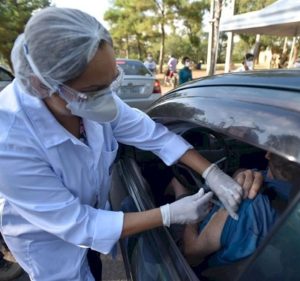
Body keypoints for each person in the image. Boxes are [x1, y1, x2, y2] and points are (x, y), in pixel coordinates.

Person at [0, 7, 245, 281]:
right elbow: (79, 224)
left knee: (93, 266)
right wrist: (168, 214)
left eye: (110, 83)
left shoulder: (86, 99)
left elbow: (154, 135)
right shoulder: (8, 141)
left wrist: (212, 173)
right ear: (42, 84)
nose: (106, 99)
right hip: (49, 246)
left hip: (91, 231)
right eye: (94, 91)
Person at [170, 151, 299, 269]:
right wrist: (240, 174)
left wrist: (193, 217)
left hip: (199, 254)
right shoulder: (266, 182)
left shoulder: (245, 205)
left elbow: (190, 253)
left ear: (268, 154)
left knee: (177, 181)